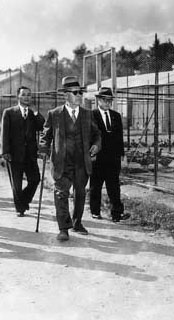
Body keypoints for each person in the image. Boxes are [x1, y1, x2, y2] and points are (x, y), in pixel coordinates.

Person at [39, 76, 101, 241]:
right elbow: (46, 136)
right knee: (61, 194)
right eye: (76, 93)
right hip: (62, 162)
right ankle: (63, 228)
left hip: (82, 162)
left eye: (81, 92)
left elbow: (97, 135)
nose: (80, 96)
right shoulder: (55, 114)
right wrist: (44, 149)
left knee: (80, 193)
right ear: (66, 95)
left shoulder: (88, 114)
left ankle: (77, 222)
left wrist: (96, 145)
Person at [0, 86, 45, 217]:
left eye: (29, 95)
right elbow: (4, 133)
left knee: (35, 179)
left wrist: (36, 112)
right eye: (24, 94)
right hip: (14, 155)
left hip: (30, 155)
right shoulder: (9, 112)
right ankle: (20, 209)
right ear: (18, 97)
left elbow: (42, 126)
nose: (27, 97)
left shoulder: (32, 114)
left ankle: (23, 201)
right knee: (16, 184)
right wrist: (5, 151)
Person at [90, 87, 129, 222]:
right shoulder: (91, 115)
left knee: (114, 185)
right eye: (105, 100)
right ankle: (95, 211)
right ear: (98, 100)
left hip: (113, 157)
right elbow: (90, 137)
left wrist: (121, 155)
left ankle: (117, 214)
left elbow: (119, 137)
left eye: (110, 100)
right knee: (96, 185)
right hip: (98, 157)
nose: (108, 103)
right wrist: (91, 154)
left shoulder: (116, 116)